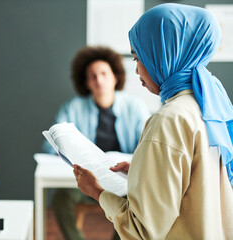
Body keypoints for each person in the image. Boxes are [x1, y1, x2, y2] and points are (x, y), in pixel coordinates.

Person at [73, 3, 233, 239]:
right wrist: (142, 171)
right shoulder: (209, 107)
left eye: (139, 57)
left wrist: (96, 192)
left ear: (164, 55)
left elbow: (141, 230)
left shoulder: (168, 120)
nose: (136, 70)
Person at [43, 46, 151, 239]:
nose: (98, 80)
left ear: (115, 77)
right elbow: (50, 149)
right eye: (92, 76)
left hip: (120, 179)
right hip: (85, 180)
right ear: (85, 82)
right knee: (61, 198)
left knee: (137, 201)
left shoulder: (135, 107)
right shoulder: (72, 108)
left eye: (103, 74)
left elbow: (146, 146)